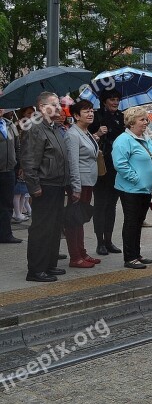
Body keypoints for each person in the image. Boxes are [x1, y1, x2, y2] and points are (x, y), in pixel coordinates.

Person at [20, 92, 70, 282]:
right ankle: (36, 270)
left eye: (59, 105)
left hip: (57, 184)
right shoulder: (35, 128)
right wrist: (34, 187)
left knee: (54, 227)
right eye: (55, 105)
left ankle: (49, 264)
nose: (59, 108)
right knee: (42, 229)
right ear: (42, 107)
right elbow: (29, 161)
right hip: (45, 185)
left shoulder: (53, 127)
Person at [112, 106, 152, 269]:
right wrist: (137, 180)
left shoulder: (145, 137)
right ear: (131, 123)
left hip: (145, 189)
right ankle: (130, 257)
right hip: (131, 189)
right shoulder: (123, 140)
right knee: (131, 223)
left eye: (146, 119)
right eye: (142, 120)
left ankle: (136, 254)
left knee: (138, 222)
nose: (146, 122)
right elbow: (120, 164)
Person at [64, 99, 102, 268]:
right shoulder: (72, 134)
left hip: (89, 181)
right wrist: (76, 187)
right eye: (86, 111)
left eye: (92, 110)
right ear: (76, 115)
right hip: (80, 183)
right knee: (74, 220)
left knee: (80, 219)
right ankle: (75, 257)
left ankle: (82, 252)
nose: (90, 113)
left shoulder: (85, 132)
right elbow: (73, 162)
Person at [88, 88, 124, 255]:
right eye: (112, 99)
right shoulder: (95, 116)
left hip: (117, 167)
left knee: (111, 206)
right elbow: (85, 140)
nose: (115, 102)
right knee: (100, 205)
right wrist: (97, 133)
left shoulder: (122, 117)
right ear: (104, 101)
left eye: (117, 99)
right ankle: (99, 242)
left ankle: (109, 240)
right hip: (101, 167)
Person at [0, 108, 22, 243]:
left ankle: (6, 234)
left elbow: (17, 146)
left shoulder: (9, 124)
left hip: (9, 171)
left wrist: (19, 165)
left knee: (7, 204)